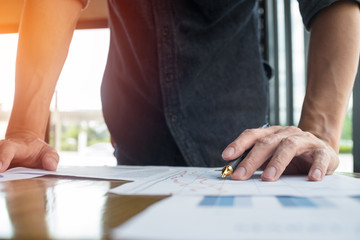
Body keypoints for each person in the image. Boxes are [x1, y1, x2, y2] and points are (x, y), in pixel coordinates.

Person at [0, 0, 359, 182]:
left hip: (241, 155)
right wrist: (25, 129)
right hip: (134, 155)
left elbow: (335, 4)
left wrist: (319, 134)